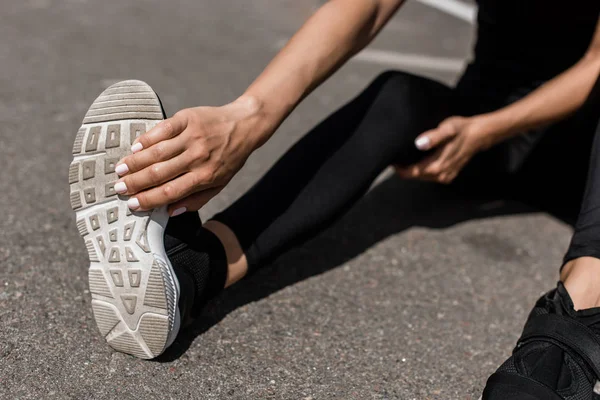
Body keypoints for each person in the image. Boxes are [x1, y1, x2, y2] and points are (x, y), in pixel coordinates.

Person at [68, 0, 600, 397]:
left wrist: (486, 131)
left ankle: (573, 328)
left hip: (574, 155)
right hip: (471, 127)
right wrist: (248, 116)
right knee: (399, 95)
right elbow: (367, 7)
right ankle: (194, 270)